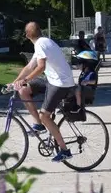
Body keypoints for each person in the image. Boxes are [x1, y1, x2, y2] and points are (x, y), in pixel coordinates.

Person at [9, 22, 77, 162]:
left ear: (27, 35)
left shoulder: (40, 44)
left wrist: (25, 79)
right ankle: (38, 125)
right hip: (53, 81)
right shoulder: (44, 42)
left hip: (60, 84)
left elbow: (40, 67)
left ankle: (64, 150)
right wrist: (15, 82)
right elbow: (29, 66)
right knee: (23, 89)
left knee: (45, 115)